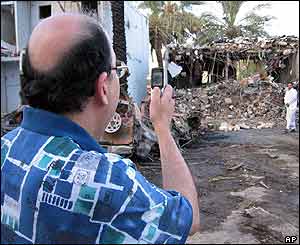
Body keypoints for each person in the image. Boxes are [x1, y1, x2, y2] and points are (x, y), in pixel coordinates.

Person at [1, 13, 200, 244]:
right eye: (117, 70)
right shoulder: (109, 182)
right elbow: (189, 218)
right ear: (103, 87)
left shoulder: (6, 147)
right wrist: (162, 128)